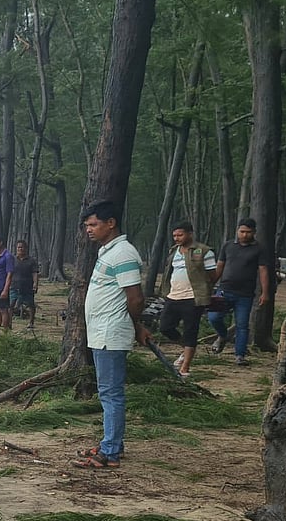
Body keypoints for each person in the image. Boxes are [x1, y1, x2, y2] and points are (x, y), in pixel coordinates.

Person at [73, 201, 151, 470]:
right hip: (102, 332)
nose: (89, 230)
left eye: (93, 225)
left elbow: (135, 297)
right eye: (87, 226)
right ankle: (112, 442)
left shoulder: (124, 254)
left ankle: (111, 452)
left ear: (111, 223)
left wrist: (136, 324)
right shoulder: (109, 251)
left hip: (110, 332)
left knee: (110, 393)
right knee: (108, 392)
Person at [208, 218, 272, 366]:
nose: (244, 235)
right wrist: (209, 284)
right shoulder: (228, 246)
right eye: (242, 231)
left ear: (254, 232)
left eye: (248, 232)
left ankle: (240, 355)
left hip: (245, 294)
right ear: (237, 231)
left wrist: (265, 292)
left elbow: (263, 271)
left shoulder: (259, 249)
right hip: (224, 290)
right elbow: (220, 266)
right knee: (214, 317)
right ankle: (223, 336)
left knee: (242, 325)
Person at [157, 222, 217, 377]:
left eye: (180, 235)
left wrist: (205, 290)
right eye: (175, 235)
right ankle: (186, 349)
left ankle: (185, 368)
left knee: (191, 331)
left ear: (190, 234)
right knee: (165, 327)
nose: (177, 238)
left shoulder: (203, 251)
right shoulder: (173, 252)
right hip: (173, 296)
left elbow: (212, 275)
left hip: (193, 298)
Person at [10, 240, 40, 329]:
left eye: (22, 247)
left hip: (27, 286)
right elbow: (9, 273)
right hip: (14, 285)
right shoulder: (13, 260)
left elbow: (35, 273)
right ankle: (9, 323)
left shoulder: (31, 261)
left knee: (30, 304)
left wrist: (35, 284)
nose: (20, 249)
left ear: (26, 248)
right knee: (11, 305)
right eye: (18, 247)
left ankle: (31, 322)